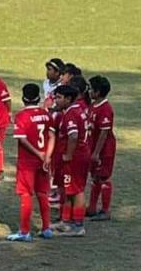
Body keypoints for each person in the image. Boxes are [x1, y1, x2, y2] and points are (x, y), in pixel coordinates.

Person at [7, 84, 54, 242]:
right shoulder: (46, 115)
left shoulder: (22, 116)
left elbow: (22, 139)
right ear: (38, 98)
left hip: (28, 162)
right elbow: (52, 136)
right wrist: (47, 156)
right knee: (42, 193)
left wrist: (38, 153)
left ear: (23, 98)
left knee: (26, 194)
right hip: (44, 161)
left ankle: (25, 231)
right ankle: (47, 228)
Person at [51, 85, 90, 237]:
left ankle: (78, 225)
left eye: (59, 97)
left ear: (68, 99)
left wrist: (68, 154)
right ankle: (66, 221)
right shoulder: (74, 111)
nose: (56, 100)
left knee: (77, 190)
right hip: (76, 156)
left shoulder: (71, 114)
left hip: (75, 158)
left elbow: (73, 136)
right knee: (68, 189)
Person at [87, 76, 116, 221]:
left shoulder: (105, 109)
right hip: (93, 147)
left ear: (97, 92)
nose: (88, 91)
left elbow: (104, 133)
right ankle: (91, 208)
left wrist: (97, 152)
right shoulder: (93, 106)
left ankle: (105, 210)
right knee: (95, 177)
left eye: (90, 88)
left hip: (104, 150)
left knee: (104, 177)